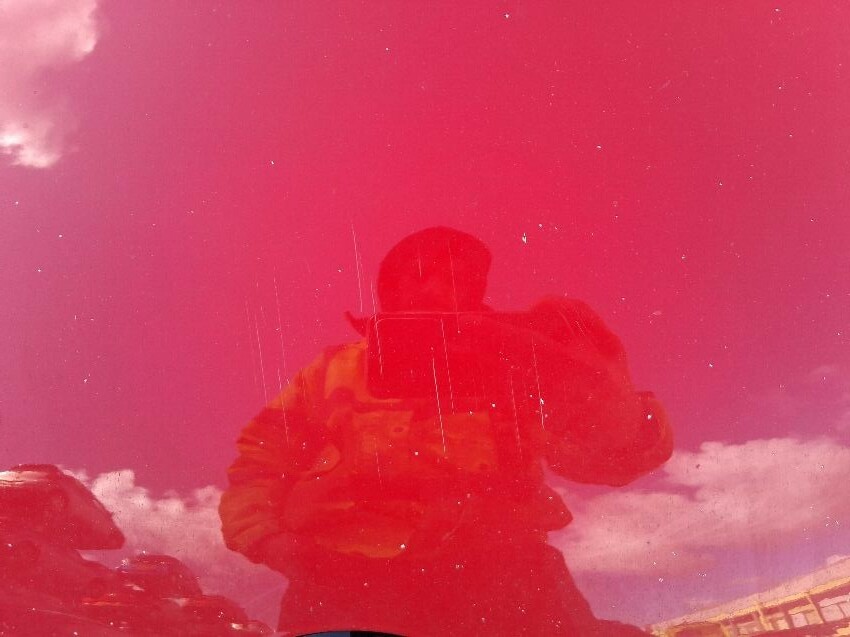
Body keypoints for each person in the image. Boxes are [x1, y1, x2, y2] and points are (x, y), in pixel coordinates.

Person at [219, 227, 673, 636]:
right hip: (343, 582)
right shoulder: (329, 371)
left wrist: (611, 403)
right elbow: (259, 463)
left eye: (459, 279)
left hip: (507, 579)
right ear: (391, 290)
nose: (439, 290)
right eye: (421, 275)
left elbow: (600, 461)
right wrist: (273, 544)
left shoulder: (515, 364)